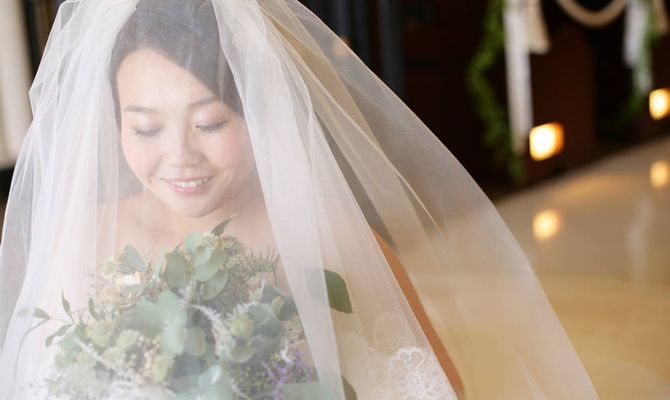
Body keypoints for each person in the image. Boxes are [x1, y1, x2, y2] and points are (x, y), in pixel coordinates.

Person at [0, 0, 598, 399]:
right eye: (146, 127)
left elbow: (437, 388)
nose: (179, 155)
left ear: (259, 114)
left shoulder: (332, 238)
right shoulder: (86, 241)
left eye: (209, 123)